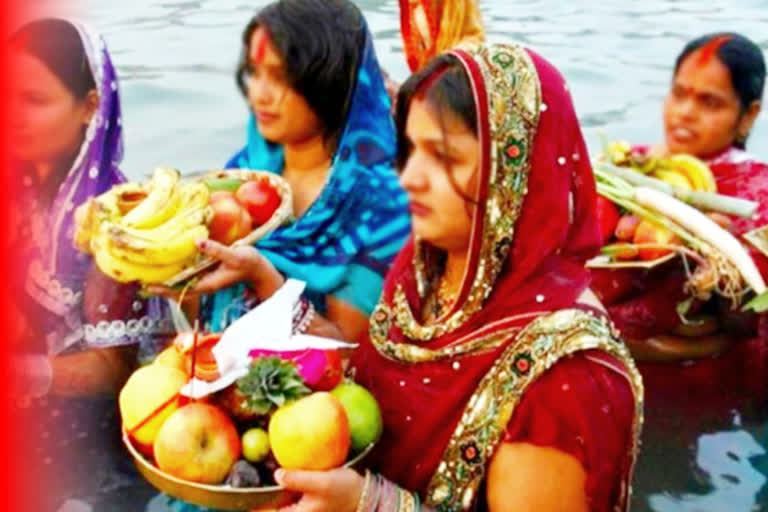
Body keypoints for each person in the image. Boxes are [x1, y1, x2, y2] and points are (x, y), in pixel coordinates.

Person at [193, 42, 644, 512]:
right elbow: (363, 377)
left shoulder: (566, 379)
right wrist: (265, 279)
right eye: (409, 150)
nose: (409, 178)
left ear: (513, 176)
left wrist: (369, 505)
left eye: (444, 157)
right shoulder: (428, 270)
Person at [154, 0, 410, 346]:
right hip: (221, 380)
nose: (259, 94)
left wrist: (265, 280)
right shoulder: (245, 172)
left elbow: (350, 353)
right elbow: (211, 311)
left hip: (320, 396)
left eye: (282, 77)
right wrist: (176, 276)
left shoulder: (381, 205)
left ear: (331, 82)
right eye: (255, 73)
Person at [590, 33, 768, 509]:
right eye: (679, 93)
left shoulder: (756, 198)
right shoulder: (633, 167)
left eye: (708, 102)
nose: (684, 113)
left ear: (748, 115)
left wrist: (714, 265)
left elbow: (742, 323)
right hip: (628, 377)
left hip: (710, 407)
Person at [8, 18, 167, 511]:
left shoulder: (115, 223)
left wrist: (26, 374)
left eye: (34, 101)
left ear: (90, 108)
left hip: (92, 439)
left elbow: (115, 370)